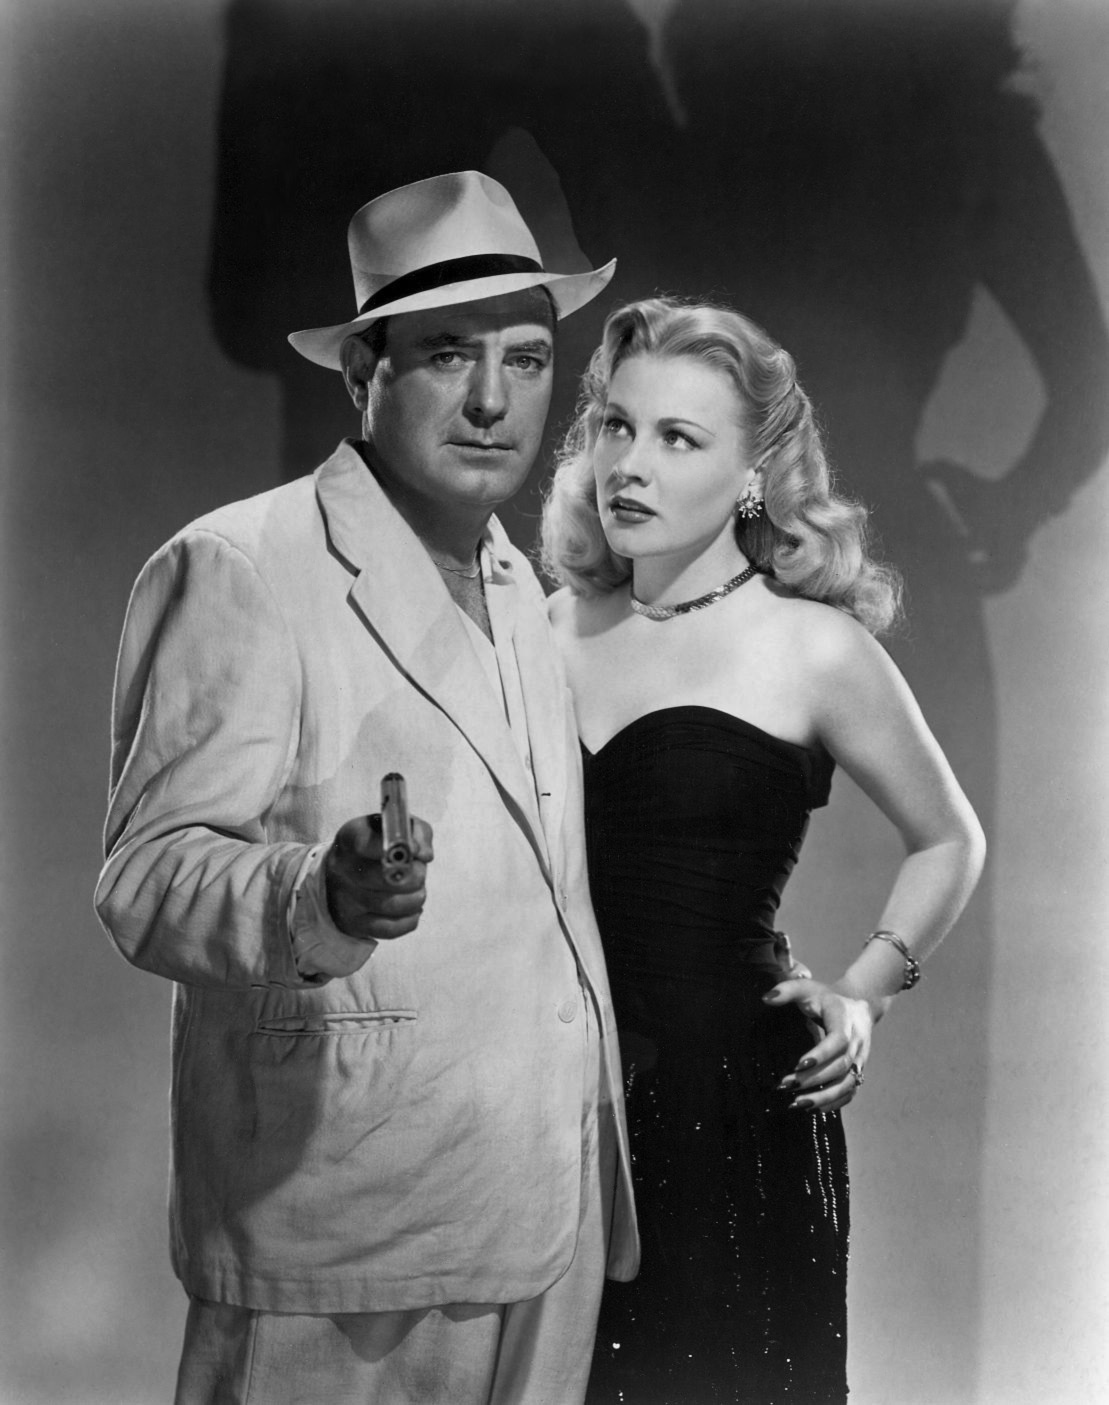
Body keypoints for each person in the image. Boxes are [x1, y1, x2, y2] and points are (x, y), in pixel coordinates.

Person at [94, 171, 639, 1405]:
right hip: (340, 1228)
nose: (494, 400)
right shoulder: (241, 566)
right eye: (448, 355)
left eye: (525, 358)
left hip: (543, 1208)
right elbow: (145, 877)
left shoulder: (517, 585)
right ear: (361, 372)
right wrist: (319, 897)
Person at [541, 296, 986, 1404]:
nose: (628, 464)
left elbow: (947, 838)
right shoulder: (541, 631)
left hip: (734, 1111)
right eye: (615, 424)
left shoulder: (812, 649)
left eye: (676, 438)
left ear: (753, 475)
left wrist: (864, 992)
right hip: (552, 1106)